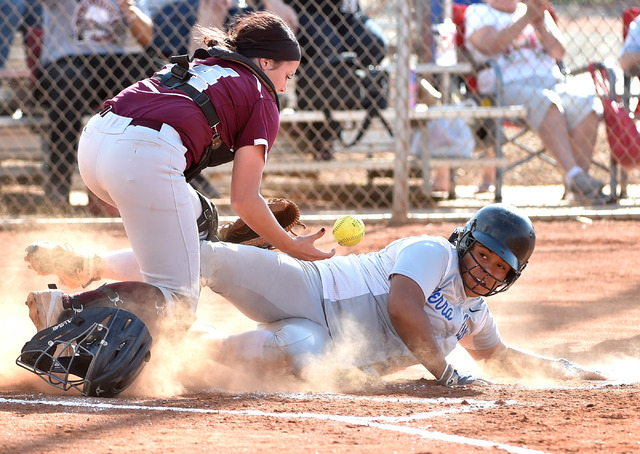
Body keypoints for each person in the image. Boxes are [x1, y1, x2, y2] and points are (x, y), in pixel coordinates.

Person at [23, 203, 605, 385]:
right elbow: (404, 310)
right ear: (465, 243)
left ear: (508, 280)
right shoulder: (433, 253)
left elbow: (499, 356)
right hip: (311, 286)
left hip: (323, 345)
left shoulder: (474, 315)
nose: (482, 272)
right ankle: (75, 293)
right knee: (206, 257)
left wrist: (560, 368)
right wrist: (446, 372)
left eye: (497, 269)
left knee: (220, 360)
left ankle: (115, 351)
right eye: (481, 255)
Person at [26, 11, 334, 335]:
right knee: (177, 304)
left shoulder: (208, 64)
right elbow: (244, 199)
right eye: (289, 73)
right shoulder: (261, 95)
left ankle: (86, 266)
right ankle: (66, 308)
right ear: (266, 62)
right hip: (141, 158)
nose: (285, 87)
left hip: (96, 141)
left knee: (202, 224)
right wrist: (289, 244)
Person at [464, 0, 608, 204]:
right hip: (506, 86)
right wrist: (525, 20)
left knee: (585, 101)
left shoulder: (532, 10)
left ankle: (579, 183)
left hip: (553, 82)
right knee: (546, 101)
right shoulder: (479, 12)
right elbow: (489, 46)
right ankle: (575, 176)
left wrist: (540, 24)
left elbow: (559, 52)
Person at [39, 0, 156, 209]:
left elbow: (146, 38)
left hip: (113, 61)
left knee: (145, 68)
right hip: (67, 59)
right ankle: (57, 190)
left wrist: (128, 7)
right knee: (70, 84)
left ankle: (141, 188)